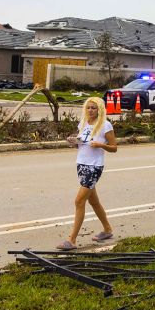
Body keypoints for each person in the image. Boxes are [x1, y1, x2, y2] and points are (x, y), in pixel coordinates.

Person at [58, 96, 118, 249]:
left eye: (94, 108)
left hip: (94, 166)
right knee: (93, 201)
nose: (90, 110)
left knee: (79, 201)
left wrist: (100, 145)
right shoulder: (83, 123)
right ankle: (107, 229)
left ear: (100, 109)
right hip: (81, 164)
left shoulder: (105, 125)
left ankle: (71, 240)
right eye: (88, 107)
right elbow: (82, 144)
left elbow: (114, 147)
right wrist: (73, 142)